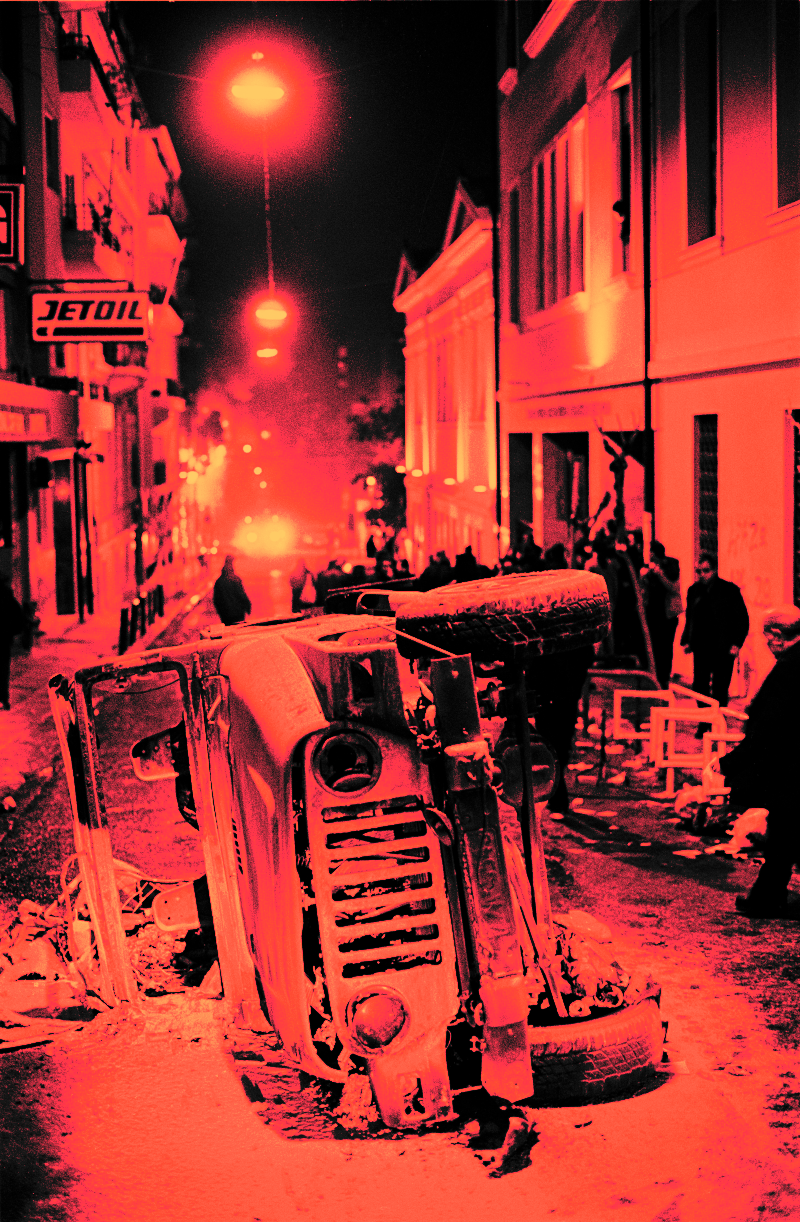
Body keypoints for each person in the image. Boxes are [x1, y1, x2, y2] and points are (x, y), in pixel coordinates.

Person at [713, 606, 800, 917]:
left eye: (767, 636)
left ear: (777, 636)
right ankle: (767, 897)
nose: (766, 643)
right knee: (785, 838)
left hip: (790, 769)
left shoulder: (788, 670)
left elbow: (767, 728)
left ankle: (765, 899)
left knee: (782, 837)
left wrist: (729, 763)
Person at [680, 553, 749, 706]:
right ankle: (704, 717)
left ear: (715, 570)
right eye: (698, 571)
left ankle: (718, 717)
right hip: (701, 645)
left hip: (723, 646)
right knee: (699, 686)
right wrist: (687, 640)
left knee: (720, 687)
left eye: (706, 570)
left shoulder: (729, 590)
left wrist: (736, 643)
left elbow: (742, 618)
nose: (702, 575)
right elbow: (690, 616)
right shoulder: (694, 590)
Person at [642, 541, 682, 688]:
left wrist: (660, 574)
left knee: (666, 647)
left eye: (651, 553)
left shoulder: (672, 566)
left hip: (668, 615)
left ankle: (664, 678)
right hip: (653, 614)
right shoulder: (649, 568)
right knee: (654, 647)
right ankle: (654, 677)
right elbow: (644, 590)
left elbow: (673, 588)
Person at [0, 574, 28, 710]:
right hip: (4, 639)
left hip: (4, 637)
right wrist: (14, 632)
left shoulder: (8, 596)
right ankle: (4, 698)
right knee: (3, 669)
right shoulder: (8, 597)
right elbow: (18, 617)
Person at [212, 554, 251, 626]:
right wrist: (247, 607)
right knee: (238, 629)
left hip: (225, 615)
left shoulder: (219, 581)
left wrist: (220, 612)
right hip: (238, 613)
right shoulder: (235, 579)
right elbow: (241, 595)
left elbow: (216, 600)